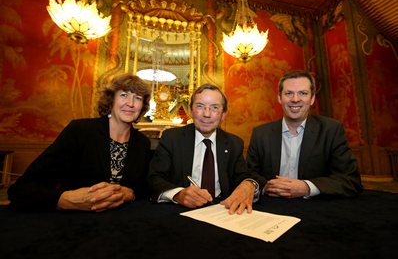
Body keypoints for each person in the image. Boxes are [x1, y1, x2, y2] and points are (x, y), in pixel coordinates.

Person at [8, 74, 152, 211]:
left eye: (137, 98)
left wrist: (130, 193)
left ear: (142, 107)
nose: (131, 103)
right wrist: (65, 200)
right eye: (124, 95)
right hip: (74, 222)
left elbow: (145, 190)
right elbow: (22, 189)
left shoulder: (142, 143)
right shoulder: (80, 131)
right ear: (111, 99)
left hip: (124, 225)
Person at [148, 83, 262, 215]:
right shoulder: (171, 138)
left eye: (214, 108)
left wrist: (250, 184)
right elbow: (154, 179)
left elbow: (245, 176)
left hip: (223, 211)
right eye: (200, 106)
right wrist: (178, 194)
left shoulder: (234, 143)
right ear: (191, 110)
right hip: (181, 212)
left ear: (223, 114)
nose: (207, 114)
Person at [246, 70, 362, 198]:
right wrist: (266, 187)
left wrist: (307, 187)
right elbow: (249, 174)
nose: (295, 99)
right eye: (289, 93)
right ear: (279, 98)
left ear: (312, 99)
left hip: (315, 207)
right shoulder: (261, 134)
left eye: (303, 93)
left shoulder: (331, 130)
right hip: (271, 207)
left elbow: (350, 180)